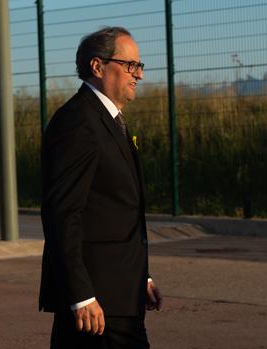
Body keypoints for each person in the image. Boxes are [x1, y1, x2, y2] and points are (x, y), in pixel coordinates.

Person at [39, 26, 162, 349]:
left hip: (119, 292)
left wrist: (141, 277)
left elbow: (112, 210)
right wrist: (81, 295)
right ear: (97, 66)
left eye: (139, 66)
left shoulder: (109, 120)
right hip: (98, 301)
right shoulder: (79, 122)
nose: (139, 75)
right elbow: (62, 213)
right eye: (130, 65)